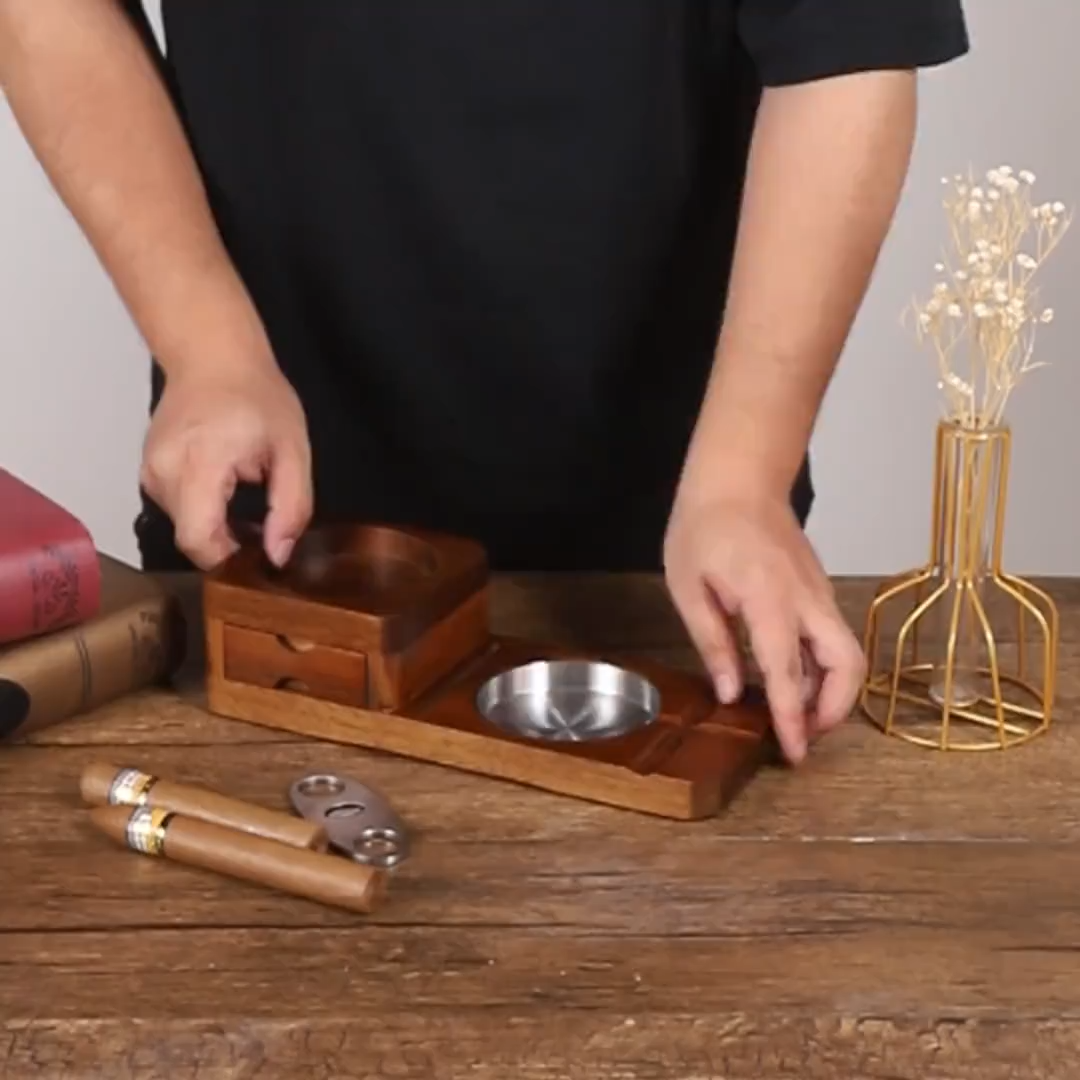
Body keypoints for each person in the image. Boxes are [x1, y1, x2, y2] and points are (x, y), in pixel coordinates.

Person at [0, 0, 969, 765]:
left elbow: (851, 38)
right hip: (273, 570)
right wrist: (207, 347)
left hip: (675, 579)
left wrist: (744, 476)